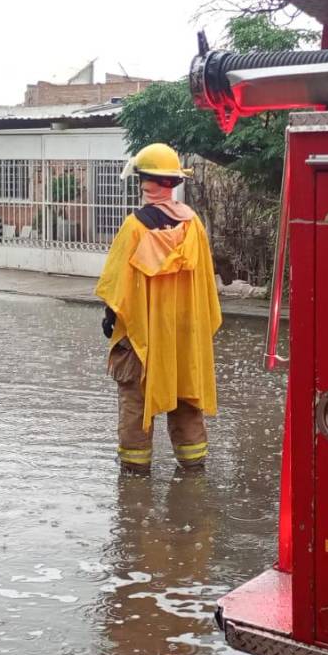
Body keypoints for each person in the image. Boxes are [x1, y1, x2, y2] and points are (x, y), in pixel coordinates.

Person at [95, 143, 222, 473]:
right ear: (174, 182)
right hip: (184, 334)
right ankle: (193, 470)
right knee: (186, 397)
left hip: (145, 335)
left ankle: (135, 476)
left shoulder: (135, 226)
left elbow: (117, 286)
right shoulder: (193, 226)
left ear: (144, 181)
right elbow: (205, 284)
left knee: (135, 400)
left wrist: (111, 318)